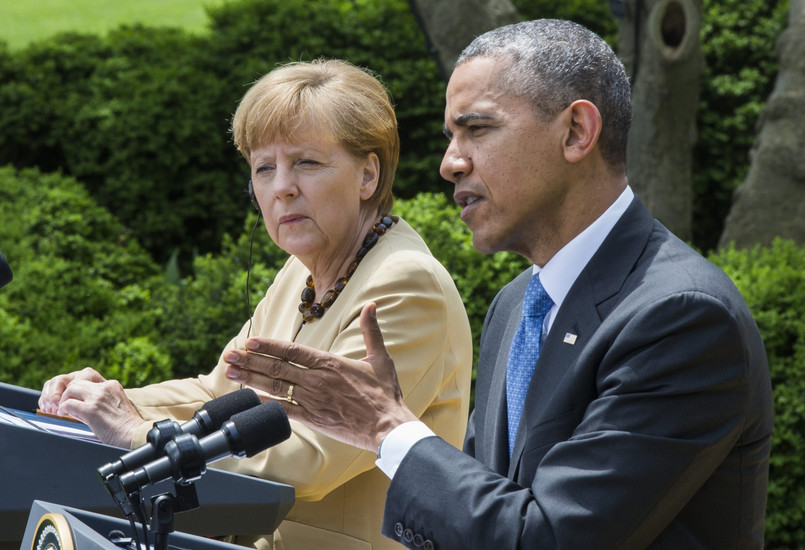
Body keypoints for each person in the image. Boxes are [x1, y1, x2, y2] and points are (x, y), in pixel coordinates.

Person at [222, 20, 774, 550]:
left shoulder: (682, 317)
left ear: (577, 132)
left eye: (477, 129)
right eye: (449, 136)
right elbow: (483, 506)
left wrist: (387, 428)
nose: (449, 163)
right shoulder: (517, 305)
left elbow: (549, 537)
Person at [39, 59, 473, 550]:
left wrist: (140, 433)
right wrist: (105, 402)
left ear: (368, 175)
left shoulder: (405, 286)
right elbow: (219, 393)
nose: (281, 186)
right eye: (264, 168)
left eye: (306, 162)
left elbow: (313, 459)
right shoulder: (301, 271)